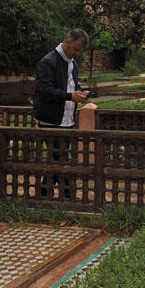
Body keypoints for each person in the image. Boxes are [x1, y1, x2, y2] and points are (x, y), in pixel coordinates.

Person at [33, 29, 90, 199]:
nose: (77, 53)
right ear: (66, 42)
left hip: (67, 118)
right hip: (51, 119)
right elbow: (44, 91)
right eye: (75, 49)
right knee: (61, 158)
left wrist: (81, 92)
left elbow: (71, 86)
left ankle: (43, 193)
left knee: (58, 159)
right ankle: (67, 195)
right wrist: (69, 96)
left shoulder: (72, 63)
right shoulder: (48, 62)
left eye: (79, 51)